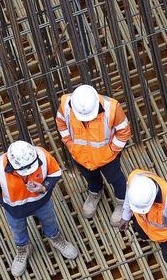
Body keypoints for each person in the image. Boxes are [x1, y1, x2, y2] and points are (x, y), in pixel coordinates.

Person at [0, 140, 78, 277]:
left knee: (49, 221)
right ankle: (23, 249)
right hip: (15, 210)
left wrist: (44, 187)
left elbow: (55, 173)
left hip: (42, 202)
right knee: (18, 230)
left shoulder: (42, 155)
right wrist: (6, 204)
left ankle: (56, 238)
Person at [56, 84, 131, 226]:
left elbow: (124, 131)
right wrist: (69, 144)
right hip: (81, 156)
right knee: (90, 176)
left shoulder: (112, 108)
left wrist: (111, 151)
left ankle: (123, 202)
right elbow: (61, 123)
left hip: (108, 158)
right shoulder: (66, 104)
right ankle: (95, 193)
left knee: (116, 179)